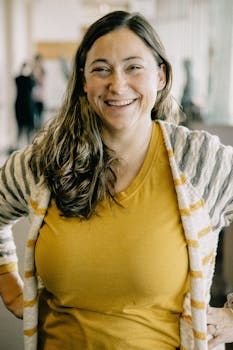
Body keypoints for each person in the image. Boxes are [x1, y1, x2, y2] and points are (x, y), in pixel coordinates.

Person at [0, 10, 233, 350]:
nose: (117, 84)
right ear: (83, 80)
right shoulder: (46, 161)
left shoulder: (200, 161)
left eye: (133, 67)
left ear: (161, 76)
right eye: (101, 69)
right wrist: (8, 284)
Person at [14, 61, 35, 147]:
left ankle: (27, 144)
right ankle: (23, 144)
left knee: (26, 127)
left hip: (24, 104)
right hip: (25, 104)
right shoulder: (25, 79)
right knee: (22, 127)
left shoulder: (20, 79)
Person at [32, 54, 46, 130]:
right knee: (34, 116)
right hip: (33, 97)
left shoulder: (42, 70)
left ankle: (39, 131)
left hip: (40, 97)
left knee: (40, 116)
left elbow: (41, 82)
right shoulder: (32, 70)